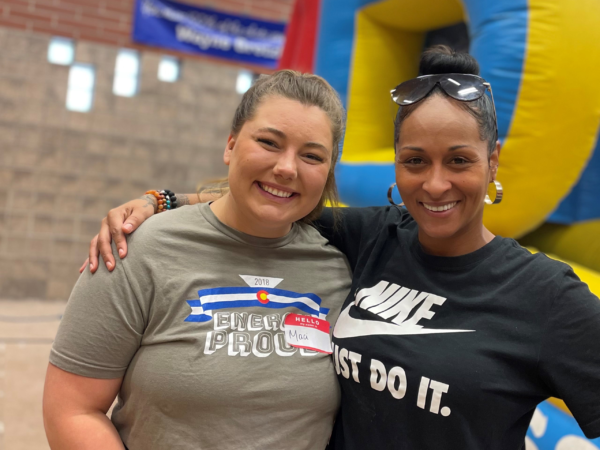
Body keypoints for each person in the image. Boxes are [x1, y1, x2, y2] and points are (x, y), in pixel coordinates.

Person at [84, 47, 600, 449]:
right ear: (396, 164)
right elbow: (273, 199)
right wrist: (161, 201)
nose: (435, 183)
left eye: (459, 160)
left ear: (493, 161)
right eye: (415, 161)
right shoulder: (374, 236)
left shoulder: (544, 295)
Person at [43, 70, 353, 450]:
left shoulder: (340, 268)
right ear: (231, 145)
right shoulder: (140, 249)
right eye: (269, 142)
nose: (287, 168)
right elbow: (72, 410)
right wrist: (158, 200)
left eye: (312, 156)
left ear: (328, 172)